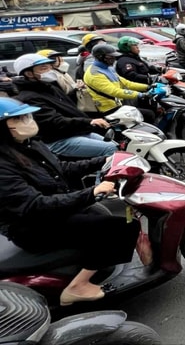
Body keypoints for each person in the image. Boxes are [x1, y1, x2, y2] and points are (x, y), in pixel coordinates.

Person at [0, 97, 139, 306]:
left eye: (27, 115)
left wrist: (105, 160)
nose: (28, 121)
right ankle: (77, 287)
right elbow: (35, 206)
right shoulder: (3, 165)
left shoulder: (30, 144)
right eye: (20, 118)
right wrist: (91, 192)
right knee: (124, 227)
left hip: (52, 213)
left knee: (100, 214)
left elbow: (62, 169)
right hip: (32, 226)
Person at [13, 53, 117, 158]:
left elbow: (68, 107)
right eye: (43, 68)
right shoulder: (30, 97)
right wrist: (89, 121)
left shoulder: (50, 87)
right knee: (111, 149)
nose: (49, 71)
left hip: (76, 132)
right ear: (29, 74)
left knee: (117, 146)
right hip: (59, 140)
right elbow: (54, 121)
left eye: (50, 67)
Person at [83, 44, 158, 123]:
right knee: (149, 114)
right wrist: (140, 95)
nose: (114, 59)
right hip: (107, 109)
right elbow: (114, 91)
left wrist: (147, 87)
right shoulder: (94, 74)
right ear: (100, 57)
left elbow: (126, 83)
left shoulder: (108, 68)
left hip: (117, 104)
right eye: (110, 57)